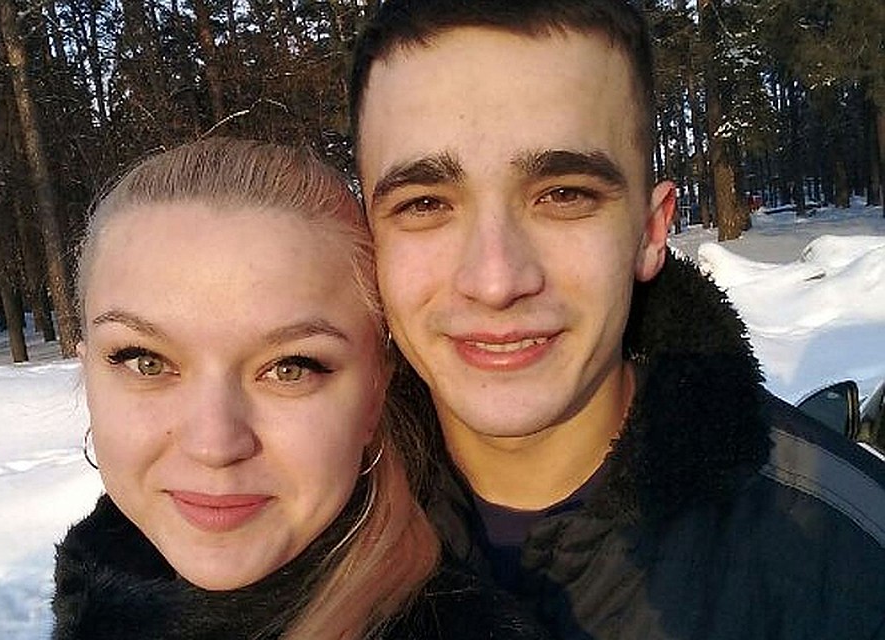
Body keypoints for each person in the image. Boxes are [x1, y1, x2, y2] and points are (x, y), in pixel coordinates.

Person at [348, 1, 885, 638]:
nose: (495, 281)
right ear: (368, 241)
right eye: (425, 204)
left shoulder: (851, 560)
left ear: (651, 232)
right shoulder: (295, 547)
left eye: (563, 195)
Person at [51, 137, 550, 640]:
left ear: (377, 389)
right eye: (146, 362)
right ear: (88, 373)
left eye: (290, 368)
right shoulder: (99, 587)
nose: (214, 446)